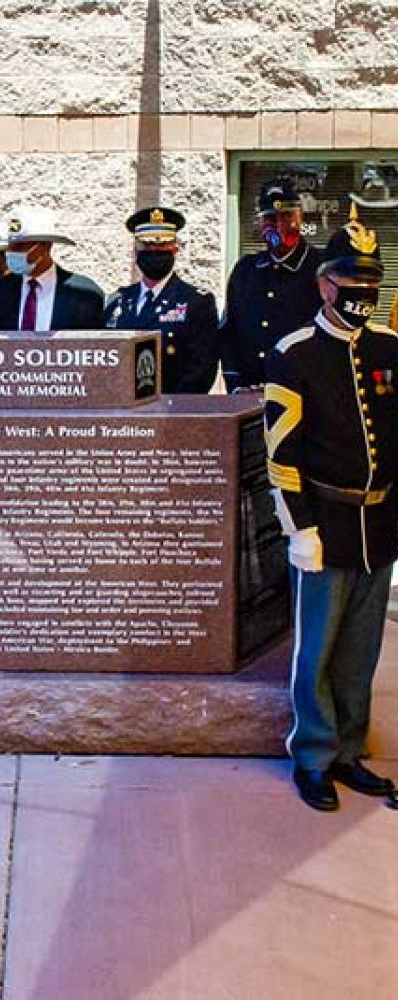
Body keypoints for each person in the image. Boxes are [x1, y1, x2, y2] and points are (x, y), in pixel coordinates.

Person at [264, 210, 397, 811]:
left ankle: (348, 749)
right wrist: (300, 527)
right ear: (324, 284)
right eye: (350, 281)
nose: (362, 293)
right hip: (325, 521)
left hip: (379, 523)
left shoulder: (390, 348)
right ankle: (313, 756)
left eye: (372, 281)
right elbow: (281, 452)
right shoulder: (295, 354)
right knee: (315, 648)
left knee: (361, 649)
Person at [221, 178, 323, 390]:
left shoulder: (320, 267)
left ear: (300, 218)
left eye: (286, 216)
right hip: (248, 390)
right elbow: (229, 332)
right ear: (260, 223)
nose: (279, 225)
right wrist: (234, 383)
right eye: (270, 218)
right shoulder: (245, 270)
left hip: (303, 390)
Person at [105, 206, 220, 392]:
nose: (154, 251)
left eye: (162, 246)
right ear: (135, 250)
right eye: (147, 245)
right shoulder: (117, 301)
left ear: (174, 249)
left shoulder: (196, 302)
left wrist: (171, 405)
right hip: (123, 403)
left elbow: (202, 369)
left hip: (174, 404)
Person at [0, 206, 104, 331]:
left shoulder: (84, 294)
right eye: (10, 246)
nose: (12, 252)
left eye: (20, 246)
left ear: (45, 246)